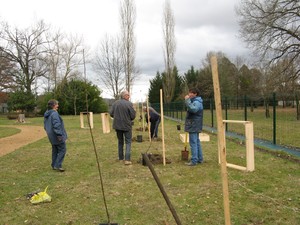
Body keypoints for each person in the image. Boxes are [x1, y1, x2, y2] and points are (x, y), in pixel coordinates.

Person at [110, 90, 136, 165]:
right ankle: (127, 159)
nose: (129, 96)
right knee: (128, 142)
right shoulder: (129, 104)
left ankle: (120, 157)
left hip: (117, 126)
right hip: (127, 126)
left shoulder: (115, 103)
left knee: (120, 141)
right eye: (128, 95)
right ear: (124, 96)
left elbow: (111, 114)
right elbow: (133, 116)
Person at [44, 99, 68, 172]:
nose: (58, 105)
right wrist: (59, 135)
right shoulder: (54, 114)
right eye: (57, 104)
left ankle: (54, 165)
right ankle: (57, 165)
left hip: (51, 135)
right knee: (62, 149)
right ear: (53, 105)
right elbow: (56, 125)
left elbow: (45, 126)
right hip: (56, 135)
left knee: (55, 150)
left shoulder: (47, 113)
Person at [184, 88, 204, 166]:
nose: (189, 94)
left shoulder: (197, 102)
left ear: (196, 94)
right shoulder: (195, 101)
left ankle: (194, 160)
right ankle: (200, 158)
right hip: (195, 124)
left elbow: (193, 109)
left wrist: (187, 101)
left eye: (192, 93)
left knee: (193, 143)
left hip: (194, 124)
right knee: (197, 142)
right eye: (189, 92)